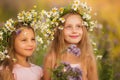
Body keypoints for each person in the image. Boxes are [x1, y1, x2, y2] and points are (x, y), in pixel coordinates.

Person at [43, 0, 98, 80]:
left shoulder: (87, 58)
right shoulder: (52, 58)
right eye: (69, 27)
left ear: (84, 30)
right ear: (60, 30)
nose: (74, 31)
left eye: (78, 26)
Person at [0, 10, 43, 80]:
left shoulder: (38, 70)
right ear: (12, 42)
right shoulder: (6, 71)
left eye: (33, 39)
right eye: (24, 40)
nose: (30, 44)